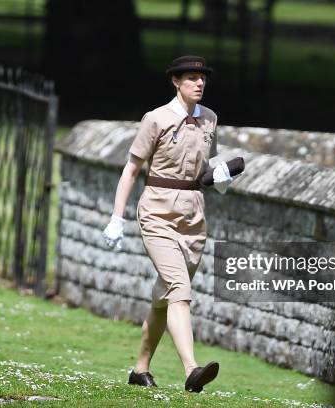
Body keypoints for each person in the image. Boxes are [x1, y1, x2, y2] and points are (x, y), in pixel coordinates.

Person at [102, 56, 235, 392]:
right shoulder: (156, 119)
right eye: (191, 78)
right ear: (176, 82)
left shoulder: (210, 119)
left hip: (194, 217)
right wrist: (116, 218)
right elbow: (131, 169)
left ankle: (139, 370)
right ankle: (192, 370)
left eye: (202, 78)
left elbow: (209, 170)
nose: (199, 83)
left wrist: (221, 177)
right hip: (157, 212)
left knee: (164, 297)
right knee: (180, 290)